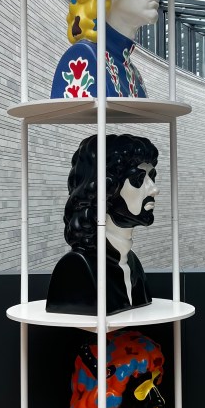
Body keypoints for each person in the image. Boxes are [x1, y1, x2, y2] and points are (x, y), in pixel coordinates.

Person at [45, 134, 158, 316]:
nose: (154, 190)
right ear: (107, 190)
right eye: (138, 179)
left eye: (152, 177)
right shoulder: (78, 267)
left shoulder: (132, 262)